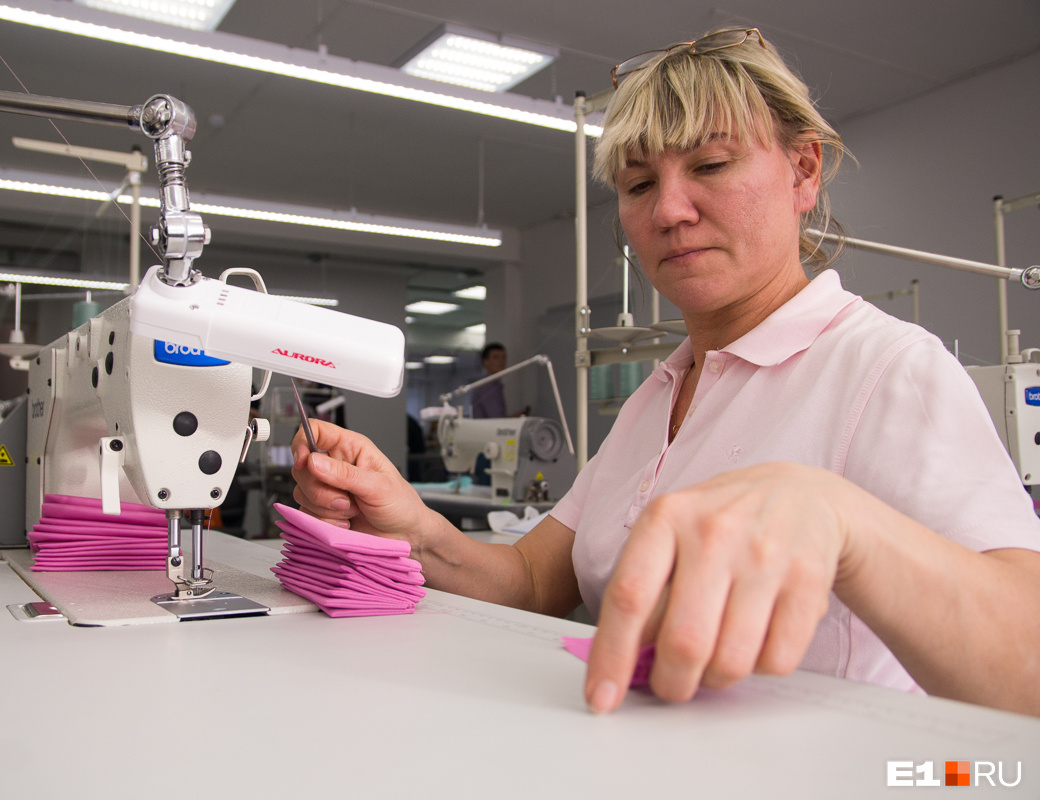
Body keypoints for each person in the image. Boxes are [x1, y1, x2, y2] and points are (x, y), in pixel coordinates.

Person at [289, 28, 1040, 717]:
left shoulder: (887, 370)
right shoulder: (657, 398)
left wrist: (844, 523)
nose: (669, 211)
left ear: (803, 171)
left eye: (711, 165)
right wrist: (414, 528)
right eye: (639, 184)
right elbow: (533, 580)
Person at [470, 343, 509, 419]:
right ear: (485, 362)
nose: (501, 361)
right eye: (496, 357)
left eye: (503, 357)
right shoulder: (486, 386)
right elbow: (496, 419)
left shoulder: (495, 384)